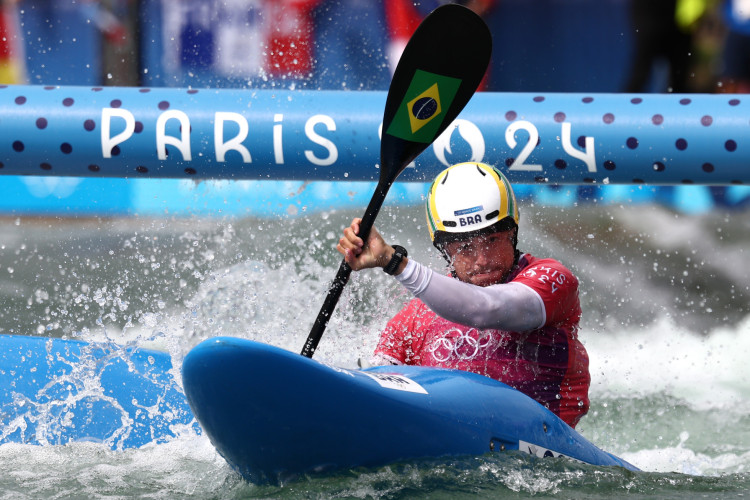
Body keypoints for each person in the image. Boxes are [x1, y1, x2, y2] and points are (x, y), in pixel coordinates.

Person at [337, 162, 590, 428]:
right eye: (464, 247)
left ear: (513, 232)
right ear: (443, 249)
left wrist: (393, 261)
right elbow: (375, 387)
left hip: (548, 454)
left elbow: (486, 308)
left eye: (492, 240)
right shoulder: (415, 317)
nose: (481, 260)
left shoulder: (551, 280)